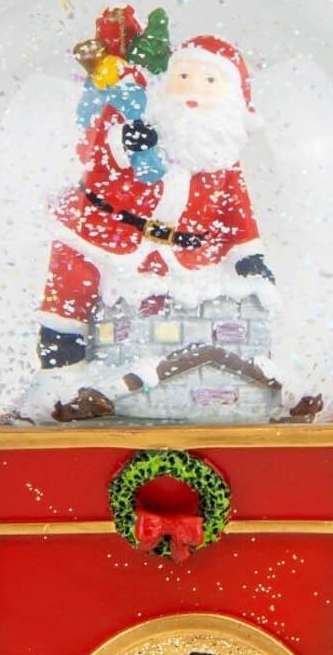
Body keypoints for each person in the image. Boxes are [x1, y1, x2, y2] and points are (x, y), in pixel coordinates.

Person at [34, 34, 277, 420]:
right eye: (184, 77)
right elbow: (95, 157)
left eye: (210, 81)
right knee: (73, 283)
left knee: (171, 312)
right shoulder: (135, 121)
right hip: (107, 233)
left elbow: (237, 212)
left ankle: (160, 380)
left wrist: (248, 255)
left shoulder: (222, 159)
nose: (193, 90)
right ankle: (60, 369)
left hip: (181, 254)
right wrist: (123, 144)